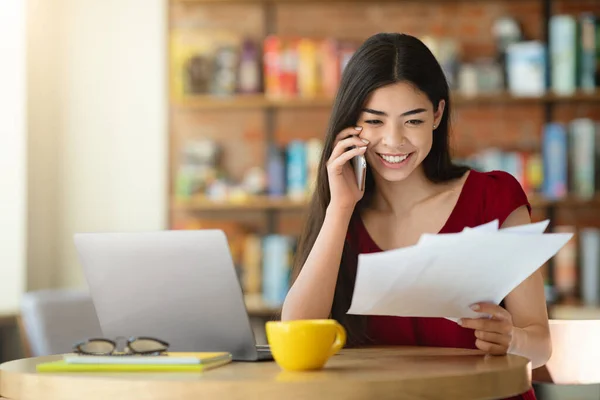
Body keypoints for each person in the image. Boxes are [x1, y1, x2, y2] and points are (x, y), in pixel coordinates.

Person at [281, 33, 550, 400]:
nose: (393, 141)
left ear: (437, 115)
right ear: (350, 125)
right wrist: (340, 207)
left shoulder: (493, 197)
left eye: (412, 121)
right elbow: (296, 335)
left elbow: (541, 346)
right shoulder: (342, 216)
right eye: (374, 122)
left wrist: (512, 338)